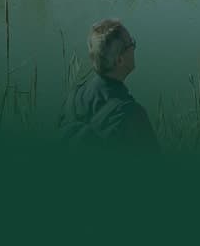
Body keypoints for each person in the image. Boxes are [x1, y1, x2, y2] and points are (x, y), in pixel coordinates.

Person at [61, 19, 159, 150]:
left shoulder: (73, 98)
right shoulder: (132, 115)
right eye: (131, 43)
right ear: (120, 60)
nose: (134, 47)